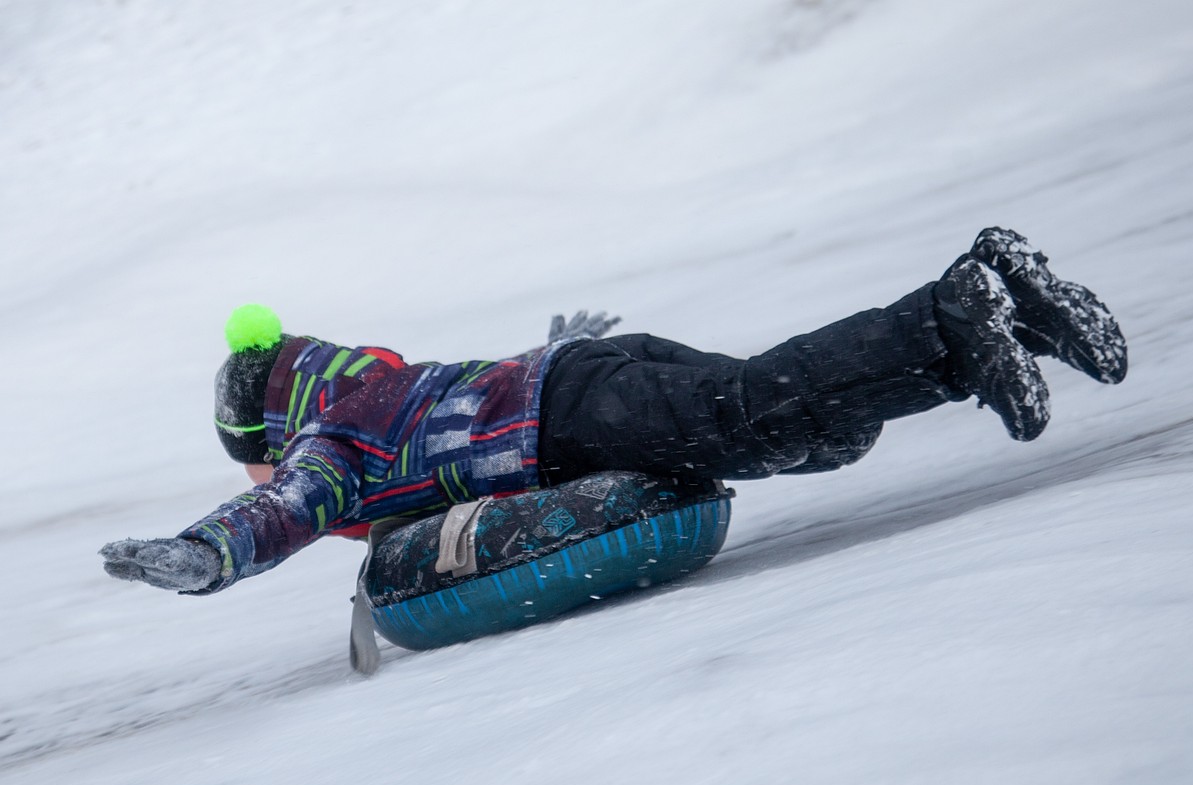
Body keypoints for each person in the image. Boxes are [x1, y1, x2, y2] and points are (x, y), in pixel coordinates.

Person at [100, 227, 1126, 595]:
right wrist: (549, 349)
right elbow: (461, 405)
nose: (267, 476)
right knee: (800, 428)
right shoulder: (373, 382)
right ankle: (1006, 315)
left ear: (269, 429)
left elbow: (286, 508)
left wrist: (211, 553)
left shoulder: (328, 444)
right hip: (583, 375)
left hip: (575, 411)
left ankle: (956, 302)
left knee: (756, 412)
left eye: (254, 460)